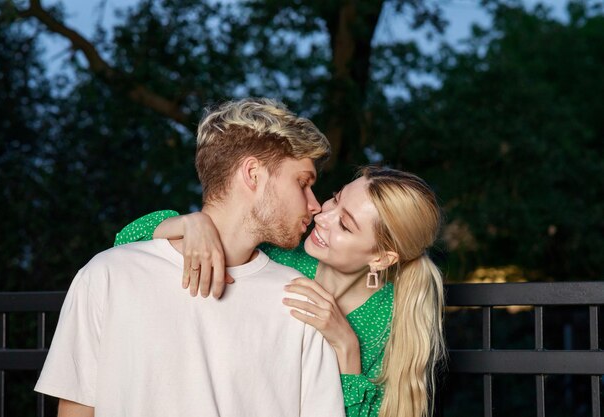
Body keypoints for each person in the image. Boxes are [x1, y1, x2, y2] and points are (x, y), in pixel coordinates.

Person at [35, 98, 346, 417]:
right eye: (303, 183)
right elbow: (76, 409)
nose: (315, 204)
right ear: (253, 174)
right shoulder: (109, 275)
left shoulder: (301, 298)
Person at [115, 166, 446, 417]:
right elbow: (125, 243)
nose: (322, 215)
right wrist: (192, 223)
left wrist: (346, 348)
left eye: (345, 225)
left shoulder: (391, 318)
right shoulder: (279, 252)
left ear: (381, 258)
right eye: (335, 198)